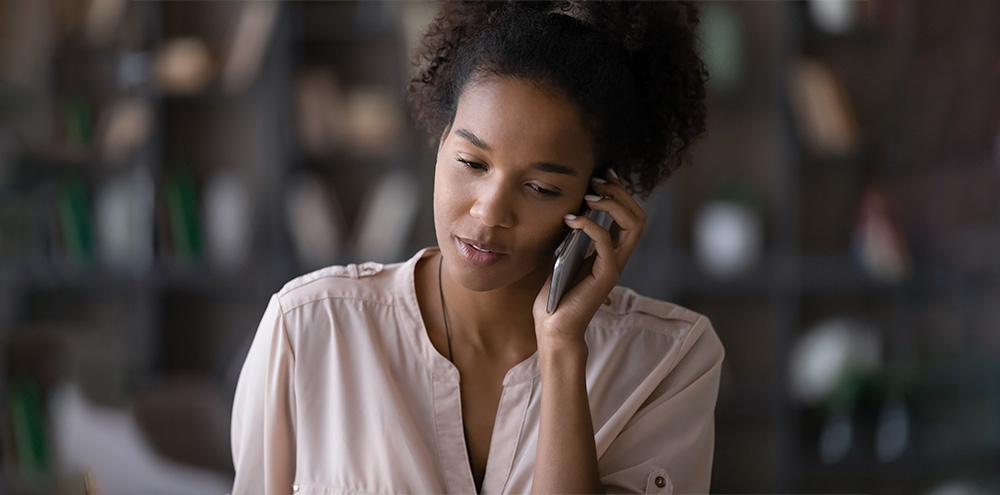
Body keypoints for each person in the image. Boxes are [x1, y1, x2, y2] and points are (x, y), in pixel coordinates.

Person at [231, 2, 723, 494]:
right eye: (471, 162)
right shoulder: (308, 327)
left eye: (541, 188)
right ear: (440, 140)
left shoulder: (669, 360)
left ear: (599, 200)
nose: (490, 212)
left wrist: (562, 349)